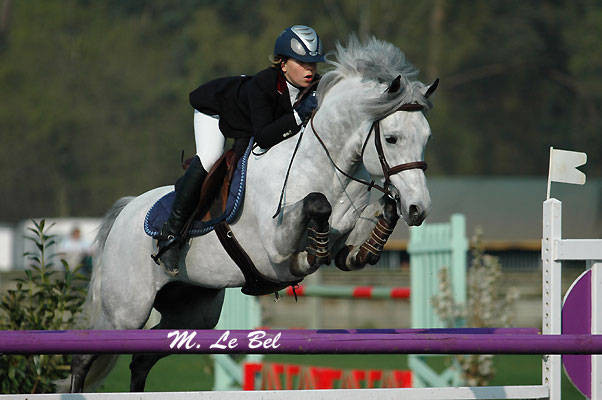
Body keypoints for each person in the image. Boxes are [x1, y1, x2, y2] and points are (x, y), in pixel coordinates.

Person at [153, 25, 325, 272]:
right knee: (211, 157)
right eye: (303, 63)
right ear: (283, 64)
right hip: (217, 111)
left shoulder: (314, 87)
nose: (310, 69)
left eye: (314, 64)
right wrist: (299, 115)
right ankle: (170, 236)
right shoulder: (264, 85)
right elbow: (264, 137)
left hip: (250, 126)